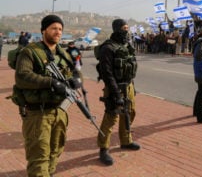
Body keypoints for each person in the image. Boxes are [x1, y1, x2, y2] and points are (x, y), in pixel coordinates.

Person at [15, 14, 81, 177]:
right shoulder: (30, 52)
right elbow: (23, 76)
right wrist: (50, 82)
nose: (57, 32)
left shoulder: (62, 53)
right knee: (39, 158)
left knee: (55, 151)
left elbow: (71, 72)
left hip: (60, 111)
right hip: (39, 114)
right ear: (44, 30)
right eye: (53, 28)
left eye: (60, 29)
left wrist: (75, 80)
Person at [97, 18, 140, 166]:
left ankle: (126, 141)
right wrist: (116, 93)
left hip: (128, 86)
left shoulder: (126, 45)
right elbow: (107, 73)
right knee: (111, 117)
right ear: (117, 29)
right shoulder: (108, 48)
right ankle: (103, 148)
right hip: (114, 87)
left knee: (130, 112)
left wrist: (132, 86)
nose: (126, 31)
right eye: (124, 28)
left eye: (127, 28)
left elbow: (129, 68)